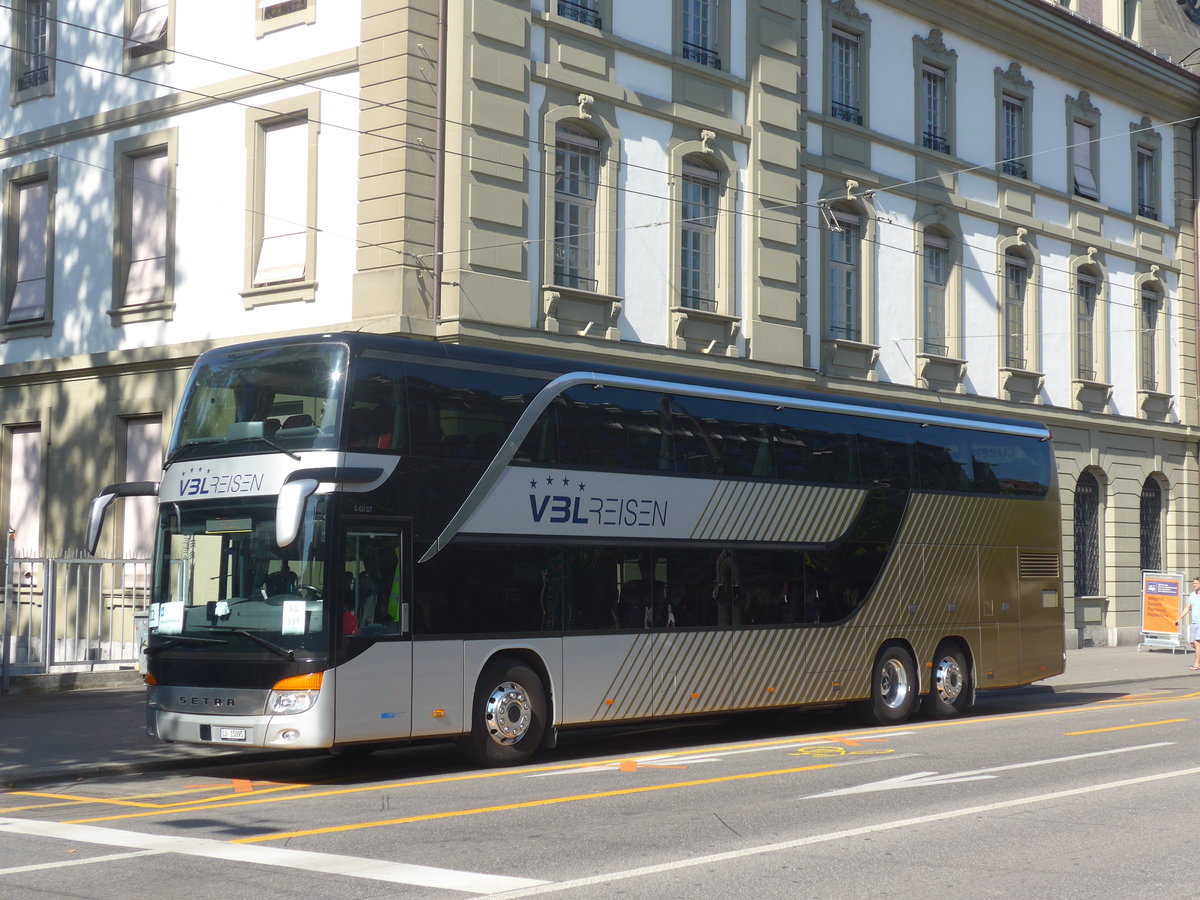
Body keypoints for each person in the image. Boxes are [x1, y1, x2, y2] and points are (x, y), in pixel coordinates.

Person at [1175, 577, 1200, 670]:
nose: (1194, 585)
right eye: (1194, 583)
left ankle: (1197, 664)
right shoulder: (1192, 595)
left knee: (1197, 644)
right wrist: (1179, 618)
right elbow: (1187, 607)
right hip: (1194, 623)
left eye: (1196, 583)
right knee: (1193, 644)